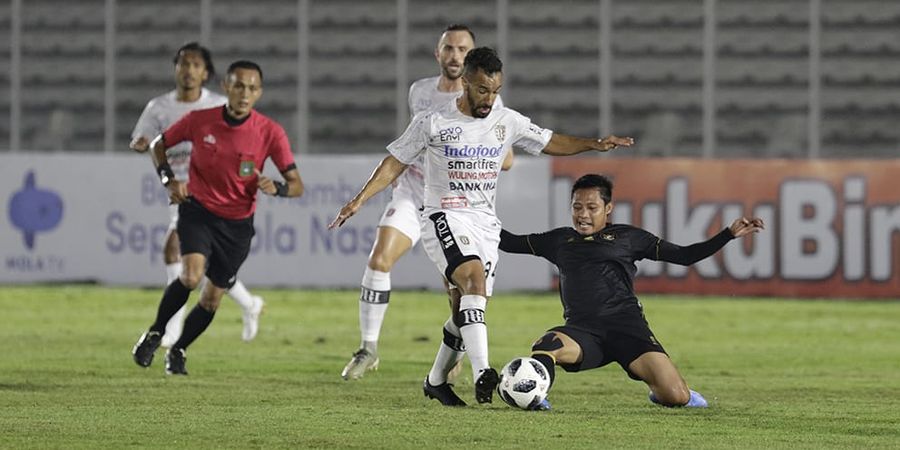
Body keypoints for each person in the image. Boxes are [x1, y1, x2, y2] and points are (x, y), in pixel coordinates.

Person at [329, 47, 633, 406]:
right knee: (472, 280)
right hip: (443, 215)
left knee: (465, 310)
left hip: (485, 224)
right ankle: (483, 371)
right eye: (482, 90)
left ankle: (436, 381)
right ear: (466, 83)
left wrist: (593, 145)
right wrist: (359, 200)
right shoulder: (432, 121)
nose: (489, 98)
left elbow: (550, 141)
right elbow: (394, 163)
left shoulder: (506, 120)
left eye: (495, 90)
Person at [499, 174, 765, 410]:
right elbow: (509, 242)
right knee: (547, 346)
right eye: (577, 207)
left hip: (628, 329)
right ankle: (534, 396)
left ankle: (673, 392)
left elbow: (685, 256)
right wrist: (472, 216)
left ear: (608, 208)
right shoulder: (559, 240)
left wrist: (727, 235)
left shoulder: (629, 238)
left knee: (675, 396)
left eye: (592, 208)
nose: (583, 215)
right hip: (583, 332)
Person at [341, 24, 514, 381]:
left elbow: (507, 156)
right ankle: (368, 348)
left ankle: (456, 360)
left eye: (462, 49)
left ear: (472, 60)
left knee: (457, 289)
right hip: (412, 191)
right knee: (379, 258)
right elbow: (410, 143)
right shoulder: (419, 92)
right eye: (448, 48)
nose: (454, 55)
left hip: (456, 202)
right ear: (438, 53)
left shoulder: (488, 99)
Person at [131, 60, 304, 375]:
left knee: (211, 299)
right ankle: (156, 333)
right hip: (198, 211)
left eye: (252, 88)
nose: (244, 93)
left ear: (259, 92)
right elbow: (159, 145)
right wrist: (168, 179)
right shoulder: (200, 120)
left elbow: (297, 186)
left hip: (237, 225)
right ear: (226, 87)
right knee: (191, 276)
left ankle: (180, 349)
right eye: (238, 86)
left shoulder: (269, 132)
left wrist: (276, 187)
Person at [131, 43, 265, 346]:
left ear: (206, 72)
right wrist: (141, 143)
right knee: (203, 265)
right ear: (175, 68)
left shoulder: (217, 105)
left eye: (195, 64)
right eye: (183, 63)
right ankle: (248, 304)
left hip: (207, 192)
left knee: (176, 252)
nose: (188, 70)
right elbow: (147, 140)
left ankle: (171, 328)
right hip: (177, 188)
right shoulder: (159, 107)